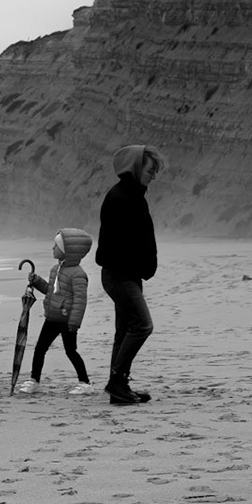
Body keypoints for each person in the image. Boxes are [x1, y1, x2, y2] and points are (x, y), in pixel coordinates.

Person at [96, 144, 165, 405]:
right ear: (135, 168)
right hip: (119, 275)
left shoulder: (132, 195)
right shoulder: (122, 197)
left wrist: (142, 268)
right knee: (142, 325)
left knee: (124, 330)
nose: (154, 176)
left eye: (155, 171)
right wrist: (140, 266)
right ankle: (116, 381)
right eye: (150, 170)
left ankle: (119, 387)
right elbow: (118, 244)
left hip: (126, 275)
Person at [23, 228, 92, 393]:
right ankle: (34, 381)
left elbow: (80, 301)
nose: (53, 248)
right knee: (40, 349)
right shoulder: (55, 269)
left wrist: (74, 322)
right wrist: (37, 281)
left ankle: (85, 383)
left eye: (56, 246)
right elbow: (50, 290)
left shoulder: (78, 274)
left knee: (71, 351)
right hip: (52, 318)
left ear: (67, 251)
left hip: (67, 321)